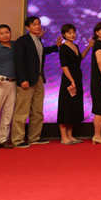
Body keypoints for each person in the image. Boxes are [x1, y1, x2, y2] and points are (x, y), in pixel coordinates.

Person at [12, 16, 61, 148]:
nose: (37, 26)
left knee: (38, 111)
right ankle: (17, 139)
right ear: (27, 27)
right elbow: (18, 61)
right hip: (26, 80)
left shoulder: (38, 40)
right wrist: (23, 79)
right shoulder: (22, 40)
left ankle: (34, 137)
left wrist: (56, 47)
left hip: (38, 78)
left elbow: (40, 53)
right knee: (22, 111)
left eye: (38, 24)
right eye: (34, 24)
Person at [57, 24, 93, 145]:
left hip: (77, 78)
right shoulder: (63, 48)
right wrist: (72, 81)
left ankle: (70, 135)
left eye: (73, 32)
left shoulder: (75, 46)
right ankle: (64, 137)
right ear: (64, 35)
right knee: (66, 107)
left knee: (73, 106)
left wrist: (89, 47)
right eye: (69, 33)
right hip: (68, 79)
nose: (72, 34)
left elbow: (79, 59)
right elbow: (64, 66)